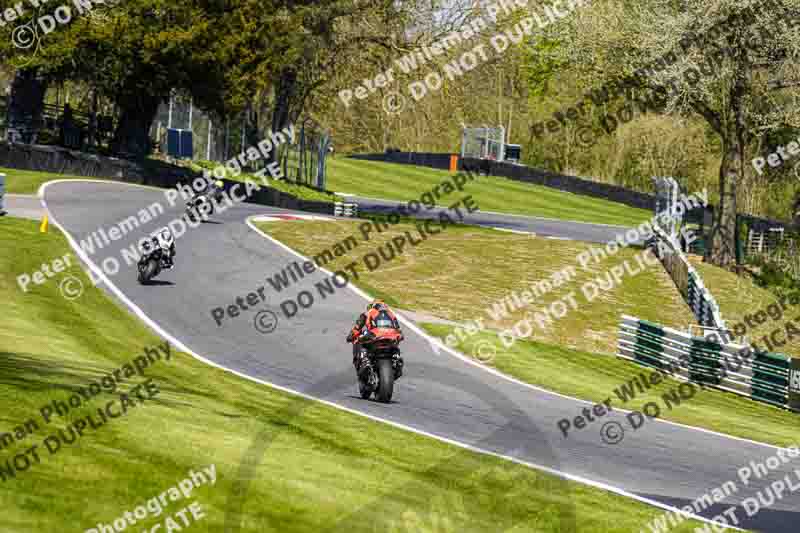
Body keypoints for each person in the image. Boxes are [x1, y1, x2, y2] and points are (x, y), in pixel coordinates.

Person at [346, 300, 404, 381]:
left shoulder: (367, 313)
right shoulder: (391, 314)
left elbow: (357, 329)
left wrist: (350, 337)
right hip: (391, 334)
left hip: (375, 334)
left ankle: (364, 360)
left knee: (358, 340)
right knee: (395, 345)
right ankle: (396, 358)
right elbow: (398, 330)